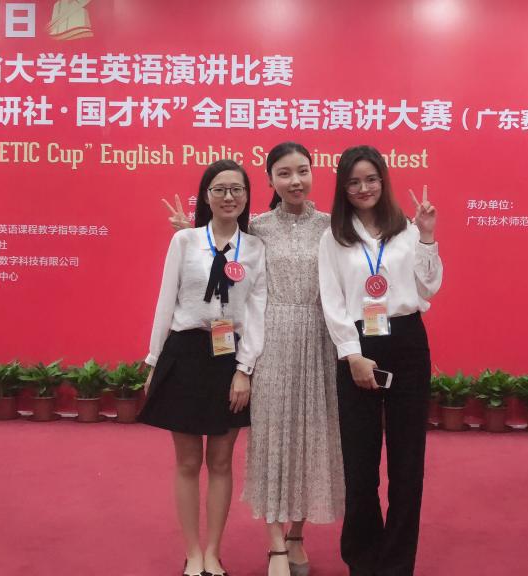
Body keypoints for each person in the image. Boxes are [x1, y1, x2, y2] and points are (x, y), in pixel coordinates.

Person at [164, 142, 344, 576]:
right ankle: (275, 542)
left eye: (303, 171)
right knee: (270, 439)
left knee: (312, 437)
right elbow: (221, 245)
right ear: (269, 181)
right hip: (269, 340)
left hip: (318, 339)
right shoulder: (258, 228)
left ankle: (297, 535)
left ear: (313, 172)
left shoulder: (332, 227)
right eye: (284, 173)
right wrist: (190, 231)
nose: (295, 180)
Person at [317, 145, 442, 576]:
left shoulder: (407, 229)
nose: (363, 188)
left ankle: (397, 563)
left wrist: (427, 236)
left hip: (406, 342)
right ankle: (363, 559)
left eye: (371, 179)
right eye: (353, 182)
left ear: (383, 181)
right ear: (343, 188)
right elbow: (332, 301)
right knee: (360, 462)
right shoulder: (333, 237)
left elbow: (428, 288)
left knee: (407, 462)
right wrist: (351, 355)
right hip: (358, 344)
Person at [140, 159, 268, 576]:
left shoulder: (255, 249)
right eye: (219, 189)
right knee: (187, 462)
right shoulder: (185, 241)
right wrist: (154, 361)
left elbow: (257, 312)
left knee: (222, 461)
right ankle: (192, 553)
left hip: (229, 357)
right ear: (206, 196)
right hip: (186, 352)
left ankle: (213, 551)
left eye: (236, 189)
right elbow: (165, 302)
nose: (229, 197)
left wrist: (245, 369)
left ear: (246, 196)